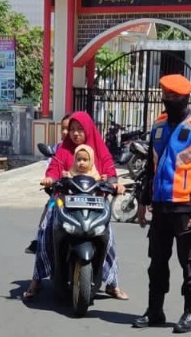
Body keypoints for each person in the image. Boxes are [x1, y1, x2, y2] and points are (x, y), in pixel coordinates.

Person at [135, 74, 191, 333]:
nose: (167, 101)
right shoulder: (158, 127)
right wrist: (143, 201)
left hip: (185, 209)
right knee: (157, 263)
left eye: (172, 97)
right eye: (165, 96)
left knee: (189, 263)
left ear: (184, 98)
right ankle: (155, 310)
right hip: (160, 208)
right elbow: (150, 167)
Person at [24, 110, 128, 301]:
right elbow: (54, 169)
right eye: (72, 130)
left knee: (109, 237)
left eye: (80, 129)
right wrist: (50, 179)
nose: (76, 133)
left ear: (88, 130)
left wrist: (114, 183)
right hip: (65, 200)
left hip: (95, 202)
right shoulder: (64, 149)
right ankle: (36, 280)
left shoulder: (99, 148)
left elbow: (110, 169)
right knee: (46, 230)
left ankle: (112, 283)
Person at [27, 114, 74, 253]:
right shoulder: (58, 148)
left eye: (69, 129)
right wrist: (50, 179)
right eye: (63, 129)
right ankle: (39, 241)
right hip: (61, 193)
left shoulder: (85, 149)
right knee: (50, 209)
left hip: (82, 193)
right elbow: (52, 168)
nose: (65, 132)